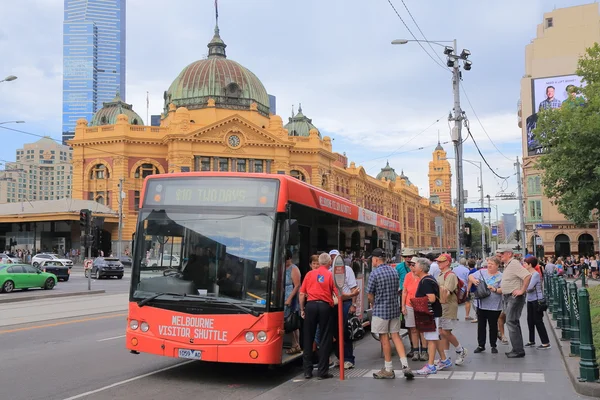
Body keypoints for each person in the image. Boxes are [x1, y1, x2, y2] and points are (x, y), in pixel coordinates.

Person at [367, 248, 414, 380]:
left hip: (381, 310)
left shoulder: (374, 274)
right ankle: (405, 365)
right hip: (394, 309)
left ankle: (388, 369)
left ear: (376, 259)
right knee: (396, 336)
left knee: (384, 338)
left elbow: (370, 294)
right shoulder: (394, 272)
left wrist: (373, 303)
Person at [299, 252, 336, 380]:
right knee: (325, 338)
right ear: (329, 263)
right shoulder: (330, 275)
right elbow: (337, 293)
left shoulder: (309, 274)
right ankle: (322, 371)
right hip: (325, 306)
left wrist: (302, 309)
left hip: (311, 306)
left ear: (319, 262)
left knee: (308, 337)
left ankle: (307, 371)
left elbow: (302, 293)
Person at [413, 257, 447, 376]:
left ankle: (431, 366)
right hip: (434, 313)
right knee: (434, 337)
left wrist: (417, 301)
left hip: (430, 313)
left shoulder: (425, 281)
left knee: (431, 339)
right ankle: (444, 359)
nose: (413, 268)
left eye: (415, 265)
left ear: (421, 268)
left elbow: (431, 298)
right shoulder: (429, 278)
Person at [329, 249, 360, 369]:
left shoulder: (347, 270)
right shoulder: (330, 271)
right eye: (331, 257)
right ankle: (340, 357)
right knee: (336, 331)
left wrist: (353, 305)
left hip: (346, 303)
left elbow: (354, 289)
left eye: (334, 257)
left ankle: (348, 358)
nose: (333, 260)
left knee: (346, 331)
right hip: (334, 304)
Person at [435, 253, 467, 368]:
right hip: (442, 306)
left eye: (441, 261)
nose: (438, 263)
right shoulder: (441, 274)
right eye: (438, 261)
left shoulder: (450, 275)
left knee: (445, 332)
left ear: (447, 262)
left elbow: (446, 292)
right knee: (442, 332)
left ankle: (460, 350)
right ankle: (445, 358)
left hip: (448, 306)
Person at [499, 249, 532, 358]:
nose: (500, 255)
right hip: (510, 296)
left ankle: (518, 350)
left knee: (511, 322)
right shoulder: (509, 264)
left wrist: (522, 290)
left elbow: (527, 276)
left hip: (514, 297)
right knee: (513, 322)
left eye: (502, 253)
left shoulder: (513, 264)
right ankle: (517, 348)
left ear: (509, 254)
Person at [469, 257, 503, 354]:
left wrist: (495, 289)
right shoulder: (481, 272)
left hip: (494, 305)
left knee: (493, 326)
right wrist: (474, 281)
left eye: (492, 264)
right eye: (488, 263)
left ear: (497, 265)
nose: (489, 265)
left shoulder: (501, 276)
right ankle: (481, 345)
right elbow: (470, 276)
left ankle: (493, 345)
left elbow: (503, 289)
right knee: (481, 325)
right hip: (481, 303)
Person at [402, 256, 428, 362]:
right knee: (413, 329)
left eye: (413, 265)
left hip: (421, 305)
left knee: (422, 329)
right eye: (410, 265)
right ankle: (416, 351)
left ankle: (425, 351)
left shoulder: (423, 277)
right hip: (409, 304)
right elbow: (404, 291)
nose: (411, 267)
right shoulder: (408, 276)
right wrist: (403, 305)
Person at [524, 257, 551, 350]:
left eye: (525, 264)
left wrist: (524, 288)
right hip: (530, 300)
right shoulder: (527, 274)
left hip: (537, 300)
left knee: (538, 321)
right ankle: (531, 340)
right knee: (530, 321)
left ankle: (545, 342)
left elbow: (530, 287)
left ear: (530, 265)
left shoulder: (535, 274)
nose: (524, 265)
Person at [284, 250, 301, 355]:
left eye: (286, 259)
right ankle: (296, 345)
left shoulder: (294, 269)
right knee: (290, 321)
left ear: (290, 258)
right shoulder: (283, 267)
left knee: (290, 321)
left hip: (291, 297)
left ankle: (295, 344)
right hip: (284, 296)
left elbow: (297, 285)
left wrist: (289, 298)